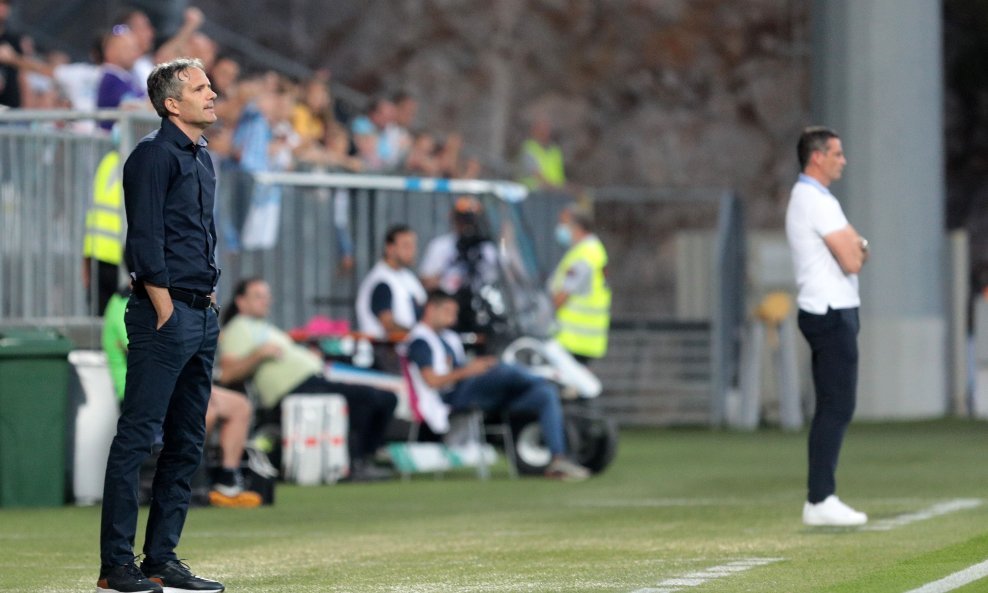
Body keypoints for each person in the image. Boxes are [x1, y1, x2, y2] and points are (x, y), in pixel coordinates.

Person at [98, 57, 224, 593]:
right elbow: (144, 239)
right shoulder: (152, 156)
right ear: (172, 104)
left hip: (200, 313)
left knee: (187, 441)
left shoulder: (202, 157)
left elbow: (198, 236)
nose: (212, 94)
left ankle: (161, 559)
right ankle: (115, 566)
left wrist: (207, 301)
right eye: (200, 88)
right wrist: (166, 308)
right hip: (163, 314)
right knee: (136, 439)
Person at [217, 277, 398, 482]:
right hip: (294, 388)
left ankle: (365, 457)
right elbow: (227, 374)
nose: (266, 301)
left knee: (386, 398)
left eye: (267, 296)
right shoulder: (237, 329)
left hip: (314, 380)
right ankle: (356, 462)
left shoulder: (262, 327)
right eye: (258, 296)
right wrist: (258, 354)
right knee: (368, 399)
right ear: (241, 301)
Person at [102, 286, 261, 509]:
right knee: (203, 411)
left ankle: (227, 481)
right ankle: (184, 483)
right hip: (141, 388)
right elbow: (143, 348)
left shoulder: (169, 298)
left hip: (172, 382)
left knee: (239, 406)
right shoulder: (124, 303)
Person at [405, 290, 591, 481]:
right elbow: (432, 381)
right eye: (447, 311)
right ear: (431, 309)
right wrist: (470, 370)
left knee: (545, 394)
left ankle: (558, 459)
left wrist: (473, 367)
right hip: (451, 398)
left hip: (476, 394)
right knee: (502, 370)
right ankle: (548, 380)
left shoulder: (449, 338)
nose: (453, 318)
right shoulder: (420, 341)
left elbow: (459, 368)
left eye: (454, 312)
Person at [785, 126, 869, 527]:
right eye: (837, 153)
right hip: (830, 310)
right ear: (817, 157)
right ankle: (820, 498)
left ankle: (821, 497)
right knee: (836, 405)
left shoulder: (818, 199)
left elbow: (856, 249)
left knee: (834, 404)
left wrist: (856, 246)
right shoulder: (815, 201)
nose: (843, 161)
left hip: (831, 309)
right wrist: (857, 246)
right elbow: (853, 258)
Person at [419, 196, 500, 333]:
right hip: (449, 308)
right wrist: (449, 267)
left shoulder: (487, 249)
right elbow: (426, 282)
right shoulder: (441, 246)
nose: (467, 225)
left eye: (472, 220)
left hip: (480, 308)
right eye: (463, 219)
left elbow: (501, 281)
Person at [548, 206, 612, 364]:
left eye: (563, 223)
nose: (560, 228)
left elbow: (563, 295)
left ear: (576, 226)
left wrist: (542, 316)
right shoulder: (588, 250)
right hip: (580, 339)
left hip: (574, 339)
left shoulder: (586, 254)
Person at [356, 224, 426, 340]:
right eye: (406, 246)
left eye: (413, 245)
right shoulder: (381, 280)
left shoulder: (409, 277)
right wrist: (419, 334)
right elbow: (388, 324)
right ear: (389, 248)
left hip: (408, 346)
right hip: (384, 348)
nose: (412, 251)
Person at [82, 147, 124, 315]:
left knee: (101, 317)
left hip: (96, 251)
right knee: (122, 316)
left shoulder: (107, 161)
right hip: (119, 256)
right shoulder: (135, 162)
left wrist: (85, 259)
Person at [518, 114, 566, 190]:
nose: (544, 132)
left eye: (546, 129)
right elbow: (534, 173)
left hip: (554, 192)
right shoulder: (529, 148)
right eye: (541, 129)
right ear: (533, 131)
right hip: (534, 191)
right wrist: (553, 187)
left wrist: (563, 188)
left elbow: (559, 177)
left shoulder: (555, 150)